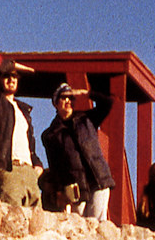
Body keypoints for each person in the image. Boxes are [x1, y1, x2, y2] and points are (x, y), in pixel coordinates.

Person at [40, 82, 116, 219]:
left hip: (98, 178)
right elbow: (54, 166)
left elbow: (108, 103)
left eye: (71, 98)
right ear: (56, 103)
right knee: (79, 224)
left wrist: (86, 93)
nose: (68, 101)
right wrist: (60, 191)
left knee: (97, 223)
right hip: (75, 187)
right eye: (63, 98)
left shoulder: (87, 119)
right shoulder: (50, 135)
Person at [0, 61, 43, 206]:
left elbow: (29, 141)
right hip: (8, 169)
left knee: (36, 222)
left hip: (29, 171)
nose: (11, 79)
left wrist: (36, 164)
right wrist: (10, 64)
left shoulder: (24, 110)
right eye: (7, 76)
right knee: (11, 218)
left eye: (15, 77)